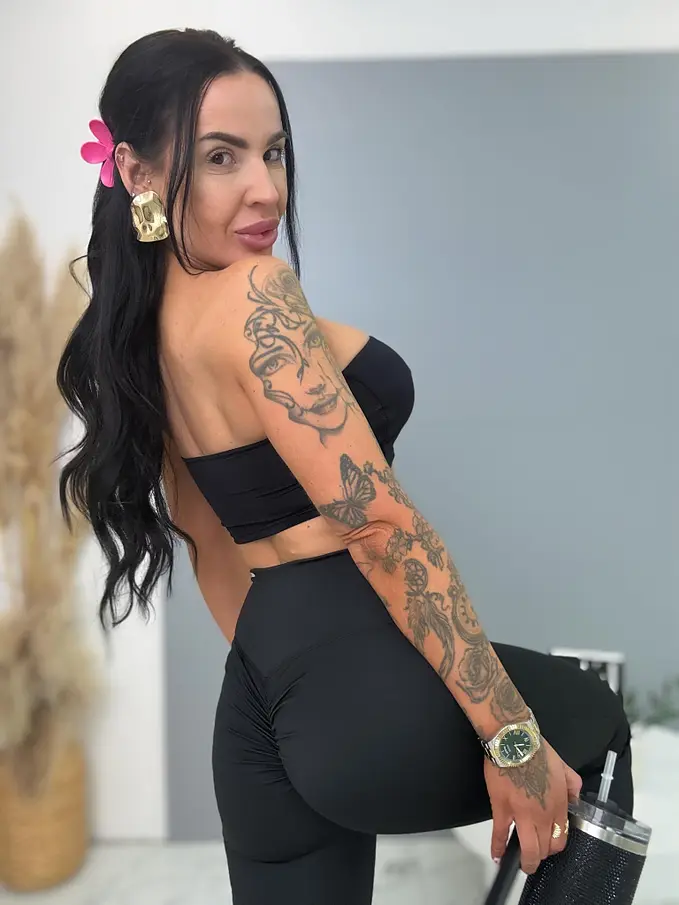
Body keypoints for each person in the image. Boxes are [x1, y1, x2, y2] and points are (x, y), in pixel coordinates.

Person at [57, 28, 633, 905]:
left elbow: (209, 538)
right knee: (597, 724)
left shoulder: (142, 337)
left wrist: (303, 694)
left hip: (256, 700)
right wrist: (509, 739)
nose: (266, 188)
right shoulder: (256, 294)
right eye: (221, 157)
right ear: (135, 172)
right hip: (350, 673)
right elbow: (379, 525)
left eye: (273, 151)